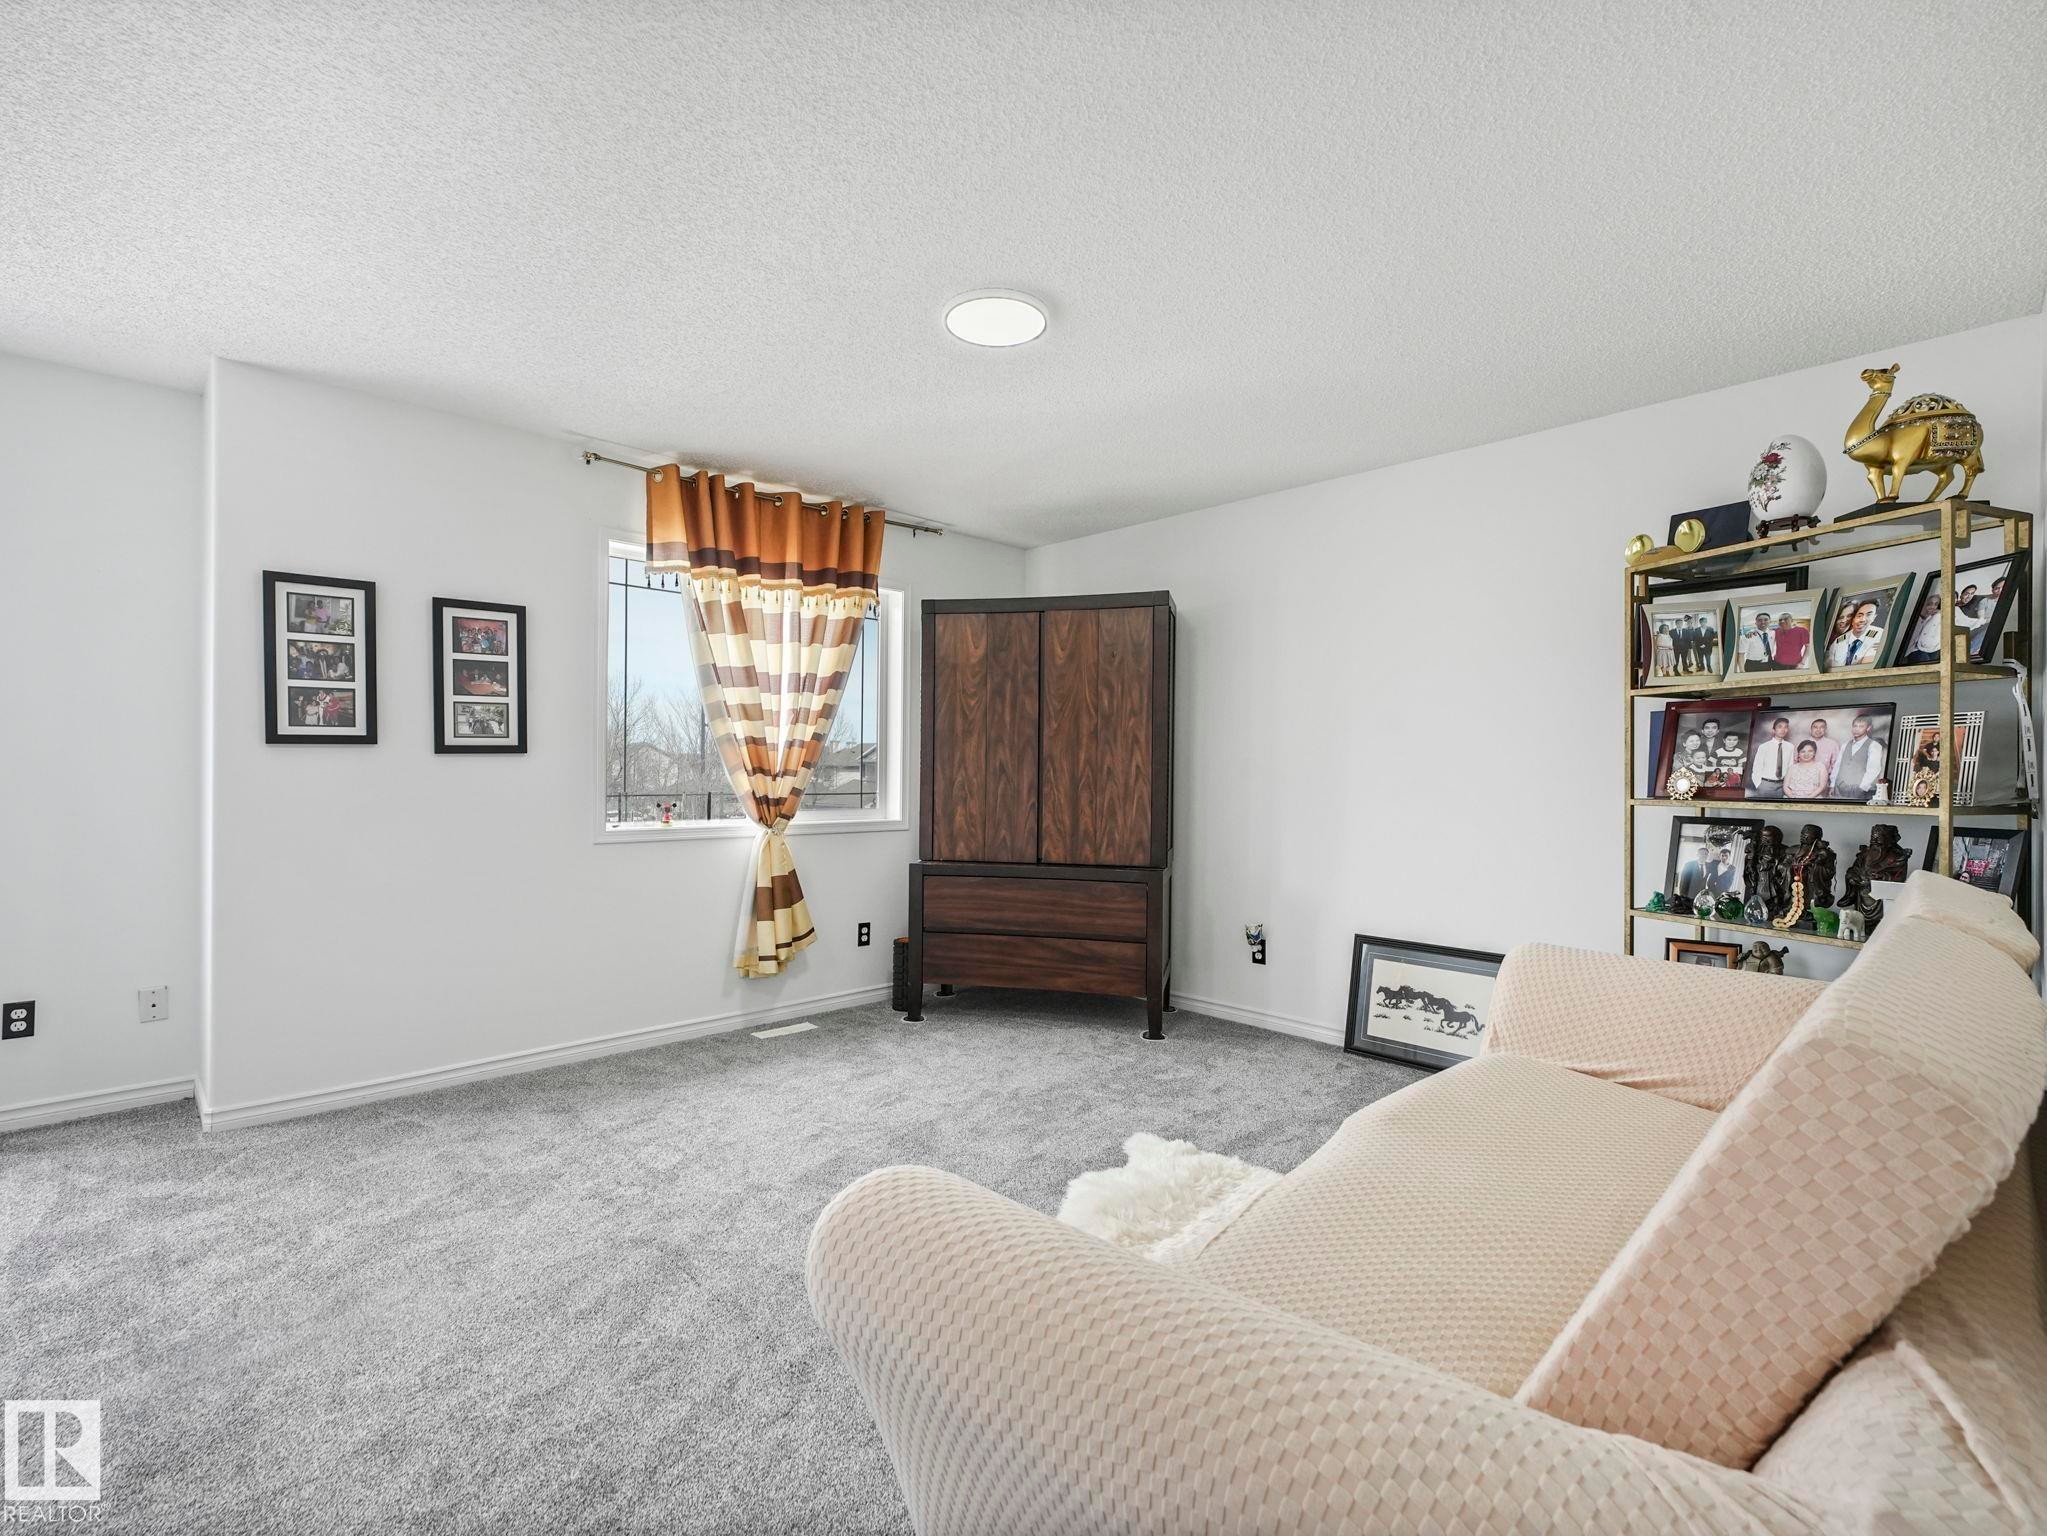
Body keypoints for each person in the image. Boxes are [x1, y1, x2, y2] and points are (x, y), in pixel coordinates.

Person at [1829, 713, 1885, 801]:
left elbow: (1874, 769)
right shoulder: (1845, 744)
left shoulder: (1874, 745)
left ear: (1868, 728)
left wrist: (1862, 788)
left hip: (1860, 791)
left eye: (1861, 726)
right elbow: (1837, 766)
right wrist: (1832, 785)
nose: (1856, 729)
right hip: (1839, 789)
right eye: (1855, 726)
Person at [1829, 598, 1886, 668]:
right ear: (1853, 619)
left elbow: (1866, 668)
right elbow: (1829, 667)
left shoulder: (1880, 635)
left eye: (1869, 615)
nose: (1863, 619)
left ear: (1874, 617)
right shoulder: (1838, 641)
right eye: (1859, 615)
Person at [1896, 590, 1944, 665]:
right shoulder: (1917, 618)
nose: (1932, 607)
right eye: (1930, 604)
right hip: (1915, 650)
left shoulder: (1938, 618)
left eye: (1936, 604)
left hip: (1933, 650)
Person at [1751, 715, 1794, 795]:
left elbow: (1791, 767)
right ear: (1774, 730)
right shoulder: (1764, 746)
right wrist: (1759, 785)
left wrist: (1787, 785)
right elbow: (1757, 767)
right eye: (1780, 727)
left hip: (1782, 786)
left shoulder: (1790, 747)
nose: (1783, 730)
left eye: (1786, 727)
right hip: (1765, 785)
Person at [1803, 716, 1841, 783]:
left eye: (1821, 727)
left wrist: (1832, 784)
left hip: (1825, 780)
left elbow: (1836, 766)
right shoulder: (1802, 744)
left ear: (1825, 729)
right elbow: (1795, 763)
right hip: (1804, 780)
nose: (1818, 730)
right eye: (1815, 727)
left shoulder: (1833, 744)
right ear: (1811, 729)